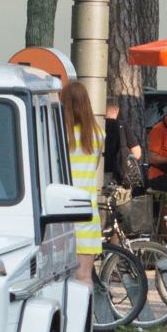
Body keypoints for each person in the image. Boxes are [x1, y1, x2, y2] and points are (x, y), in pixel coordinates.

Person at [63, 81, 105, 285]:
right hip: (87, 211)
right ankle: (86, 317)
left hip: (60, 210)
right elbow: (95, 165)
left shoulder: (58, 135)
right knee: (84, 276)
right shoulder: (97, 136)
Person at [104, 97, 144, 184]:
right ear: (117, 110)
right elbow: (137, 154)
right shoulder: (122, 127)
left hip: (98, 174)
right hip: (119, 175)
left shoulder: (97, 126)